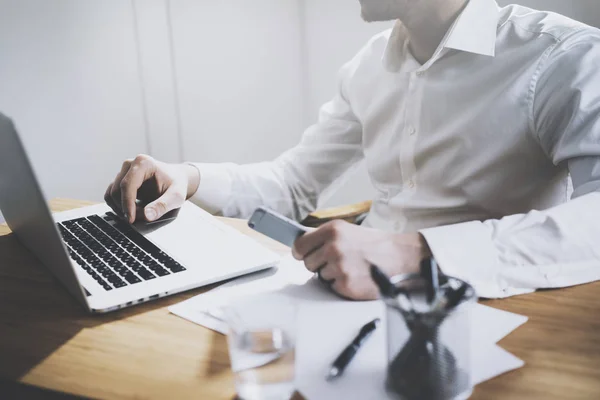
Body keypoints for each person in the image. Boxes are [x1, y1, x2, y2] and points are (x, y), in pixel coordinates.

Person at [105, 0, 600, 301]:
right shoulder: (368, 67)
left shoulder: (564, 58)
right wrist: (186, 178)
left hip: (479, 309)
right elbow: (291, 186)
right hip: (338, 298)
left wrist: (410, 253)